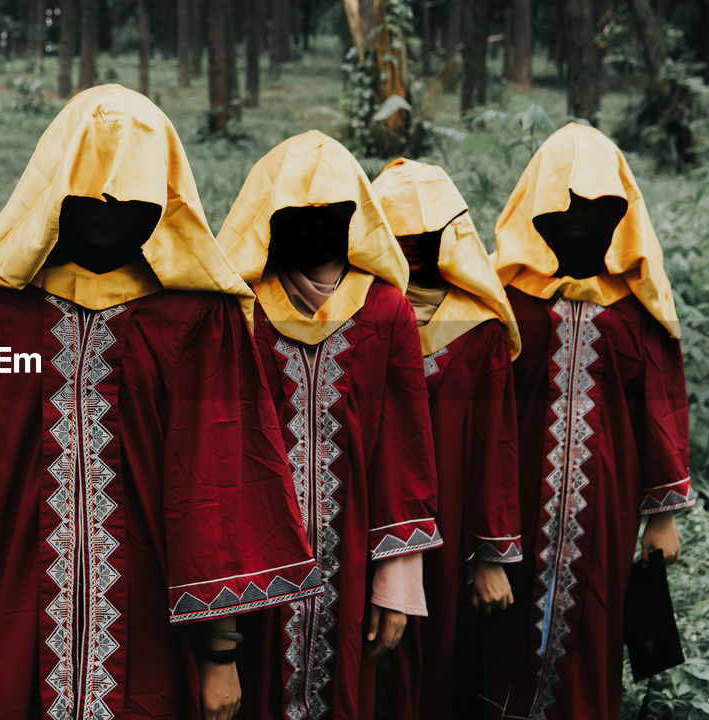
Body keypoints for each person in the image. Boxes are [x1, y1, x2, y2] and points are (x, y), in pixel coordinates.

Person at [0, 85, 320, 720]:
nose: (110, 211)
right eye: (94, 194)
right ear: (59, 187)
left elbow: (222, 484)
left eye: (131, 196)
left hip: (152, 631)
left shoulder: (198, 320)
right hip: (7, 624)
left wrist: (221, 655)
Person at [215, 131, 441, 720]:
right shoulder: (241, 310)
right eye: (298, 215)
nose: (315, 228)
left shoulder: (386, 308)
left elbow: (404, 444)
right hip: (254, 565)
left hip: (354, 561)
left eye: (330, 215)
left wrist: (395, 581)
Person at [488, 123, 694, 720]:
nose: (578, 216)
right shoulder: (509, 298)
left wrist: (662, 518)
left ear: (617, 210)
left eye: (593, 204)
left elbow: (660, 406)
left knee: (595, 617)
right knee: (503, 627)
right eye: (566, 203)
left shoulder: (636, 306)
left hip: (607, 500)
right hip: (516, 493)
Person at [370, 158, 522, 719]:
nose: (410, 251)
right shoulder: (356, 317)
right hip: (368, 516)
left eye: (422, 238)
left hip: (450, 526)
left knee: (438, 663)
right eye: (397, 237)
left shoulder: (479, 330)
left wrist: (492, 555)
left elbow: (497, 445)